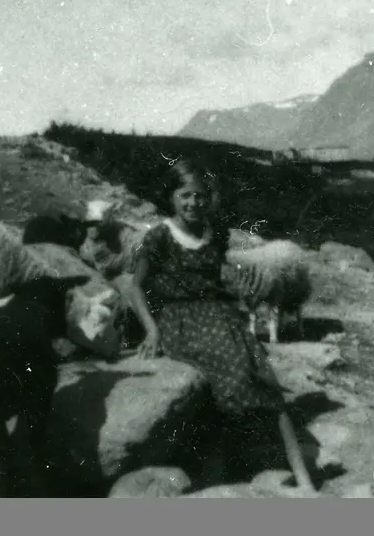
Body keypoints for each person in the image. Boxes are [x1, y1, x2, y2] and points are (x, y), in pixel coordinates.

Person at [120, 158, 315, 491]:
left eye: (199, 195)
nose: (193, 202)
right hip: (180, 319)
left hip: (221, 315)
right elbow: (134, 286)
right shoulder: (158, 237)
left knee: (265, 374)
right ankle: (219, 471)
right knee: (233, 374)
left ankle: (304, 480)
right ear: (171, 197)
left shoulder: (215, 232)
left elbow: (217, 278)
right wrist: (151, 330)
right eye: (185, 195)